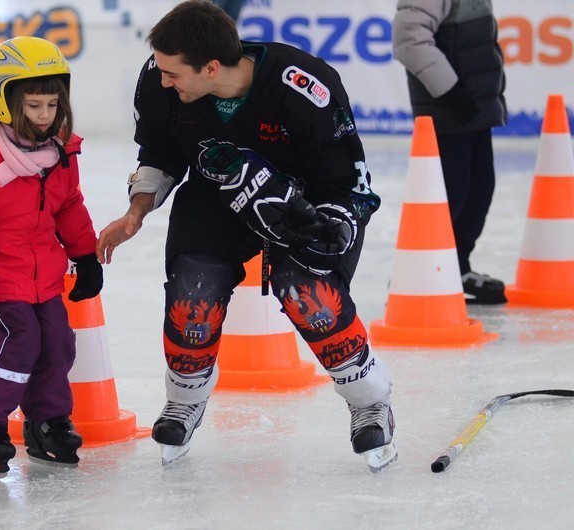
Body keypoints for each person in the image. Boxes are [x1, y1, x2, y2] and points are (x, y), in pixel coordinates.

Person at [96, 0, 396, 472]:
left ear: (211, 67)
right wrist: (136, 212)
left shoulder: (305, 86)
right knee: (193, 293)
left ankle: (370, 402)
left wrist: (336, 225)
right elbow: (159, 152)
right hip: (215, 196)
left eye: (174, 74)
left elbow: (346, 178)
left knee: (309, 295)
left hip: (308, 202)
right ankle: (185, 401)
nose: (163, 81)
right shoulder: (159, 79)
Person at [0, 36, 103, 477]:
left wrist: (85, 256)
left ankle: (46, 422)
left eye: (52, 105)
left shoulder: (59, 152)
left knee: (57, 342)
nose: (44, 116)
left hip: (44, 278)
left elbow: (69, 206)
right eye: (34, 106)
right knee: (17, 343)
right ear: (6, 99)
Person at [393, 0, 508, 304]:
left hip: (473, 108)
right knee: (449, 196)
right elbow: (408, 39)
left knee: (478, 190)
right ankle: (415, 275)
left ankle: (455, 268)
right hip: (446, 107)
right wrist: (450, 90)